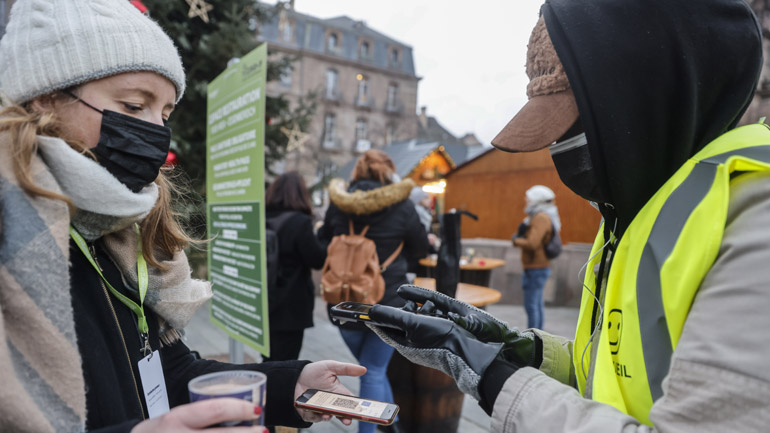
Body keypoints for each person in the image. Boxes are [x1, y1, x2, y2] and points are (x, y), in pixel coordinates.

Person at [366, 0, 770, 431]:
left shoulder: (753, 220)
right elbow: (611, 376)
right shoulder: (643, 215)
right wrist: (509, 345)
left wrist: (493, 377)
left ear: (651, 101)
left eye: (573, 128)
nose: (560, 152)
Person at [0, 1, 365, 432]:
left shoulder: (121, 228)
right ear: (45, 95)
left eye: (166, 113)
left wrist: (289, 385)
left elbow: (170, 372)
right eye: (135, 105)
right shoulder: (15, 231)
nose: (156, 131)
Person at [318, 150, 428, 433]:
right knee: (374, 371)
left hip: (343, 302)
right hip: (388, 301)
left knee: (371, 369)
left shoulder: (338, 203)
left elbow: (322, 241)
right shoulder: (402, 206)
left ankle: (391, 424)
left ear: (357, 173)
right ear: (387, 173)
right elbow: (421, 248)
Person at [264, 172, 326, 361]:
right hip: (290, 305)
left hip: (264, 300)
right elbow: (316, 259)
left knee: (267, 358)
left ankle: (267, 390)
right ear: (300, 194)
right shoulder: (300, 222)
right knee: (285, 361)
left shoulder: (262, 217)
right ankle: (279, 392)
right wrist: (324, 236)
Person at [512, 185, 561, 329]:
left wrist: (516, 240)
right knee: (536, 305)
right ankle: (538, 336)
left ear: (536, 200)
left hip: (536, 268)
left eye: (529, 199)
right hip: (537, 267)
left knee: (531, 306)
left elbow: (533, 243)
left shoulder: (540, 217)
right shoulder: (541, 215)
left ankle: (533, 338)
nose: (526, 201)